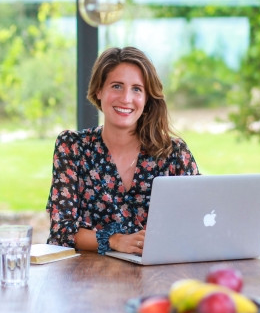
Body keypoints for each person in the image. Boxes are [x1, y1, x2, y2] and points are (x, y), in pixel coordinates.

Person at [46, 46, 199, 255]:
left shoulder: (174, 153)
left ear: (146, 98)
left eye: (137, 89)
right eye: (117, 86)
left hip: (158, 276)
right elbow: (61, 232)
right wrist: (115, 241)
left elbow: (199, 223)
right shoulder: (72, 147)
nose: (126, 98)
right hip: (88, 279)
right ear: (99, 90)